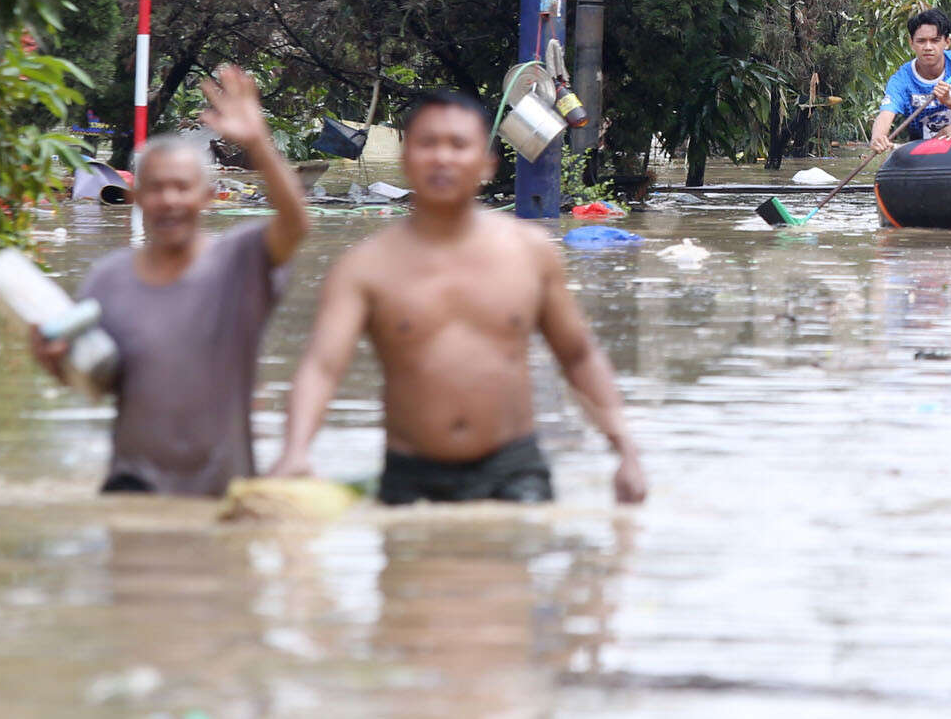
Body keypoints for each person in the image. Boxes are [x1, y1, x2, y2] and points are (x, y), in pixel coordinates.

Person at [271, 91, 646, 504]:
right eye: (428, 144)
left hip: (513, 472)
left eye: (458, 145)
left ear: (486, 164)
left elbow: (578, 355)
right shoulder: (364, 267)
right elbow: (322, 368)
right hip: (411, 475)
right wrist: (294, 453)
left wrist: (626, 451)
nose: (442, 158)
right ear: (406, 159)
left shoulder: (530, 252)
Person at [31, 65, 312, 495]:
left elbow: (296, 225)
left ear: (207, 196)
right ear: (138, 198)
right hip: (132, 486)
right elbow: (99, 381)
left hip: (222, 487)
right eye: (157, 188)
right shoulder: (107, 280)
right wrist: (55, 363)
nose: (169, 200)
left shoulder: (240, 261)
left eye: (182, 187)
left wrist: (259, 142)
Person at [870, 8, 951, 150]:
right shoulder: (901, 78)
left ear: (947, 42)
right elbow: (885, 114)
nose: (928, 47)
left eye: (935, 41)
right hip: (921, 146)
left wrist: (948, 100)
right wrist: (877, 138)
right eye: (921, 41)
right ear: (911, 43)